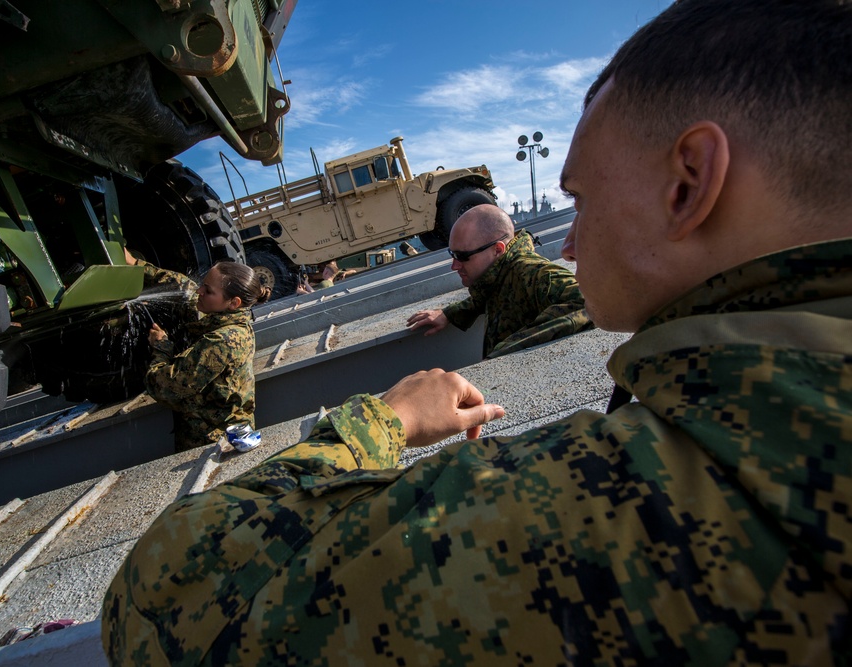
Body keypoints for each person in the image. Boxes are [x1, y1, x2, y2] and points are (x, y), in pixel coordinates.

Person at [103, 1, 852, 663]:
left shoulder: (625, 502)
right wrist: (457, 312)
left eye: (582, 199)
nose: (565, 241)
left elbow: (163, 590)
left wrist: (379, 419)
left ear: (688, 183)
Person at [124, 249, 270, 451]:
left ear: (233, 303)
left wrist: (161, 347)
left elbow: (165, 387)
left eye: (208, 291)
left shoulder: (222, 341)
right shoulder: (229, 317)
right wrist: (135, 264)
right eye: (203, 284)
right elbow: (183, 286)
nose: (199, 291)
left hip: (212, 444)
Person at [407, 204, 592, 357]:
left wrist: (507, 351)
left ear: (497, 249)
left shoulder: (533, 272)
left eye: (462, 256)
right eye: (452, 255)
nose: (454, 266)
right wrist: (450, 313)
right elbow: (490, 290)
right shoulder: (499, 273)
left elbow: (585, 303)